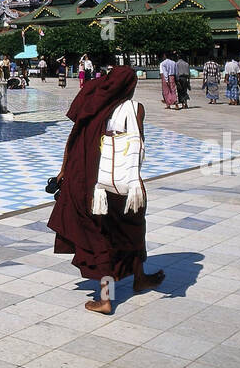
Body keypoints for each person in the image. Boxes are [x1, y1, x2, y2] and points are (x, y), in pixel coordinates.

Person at [48, 66, 165, 314]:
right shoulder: (135, 109)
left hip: (89, 184)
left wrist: (63, 172)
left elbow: (73, 139)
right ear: (129, 87)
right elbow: (136, 150)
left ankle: (131, 282)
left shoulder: (91, 105)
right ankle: (108, 298)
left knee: (104, 236)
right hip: (121, 185)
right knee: (128, 229)